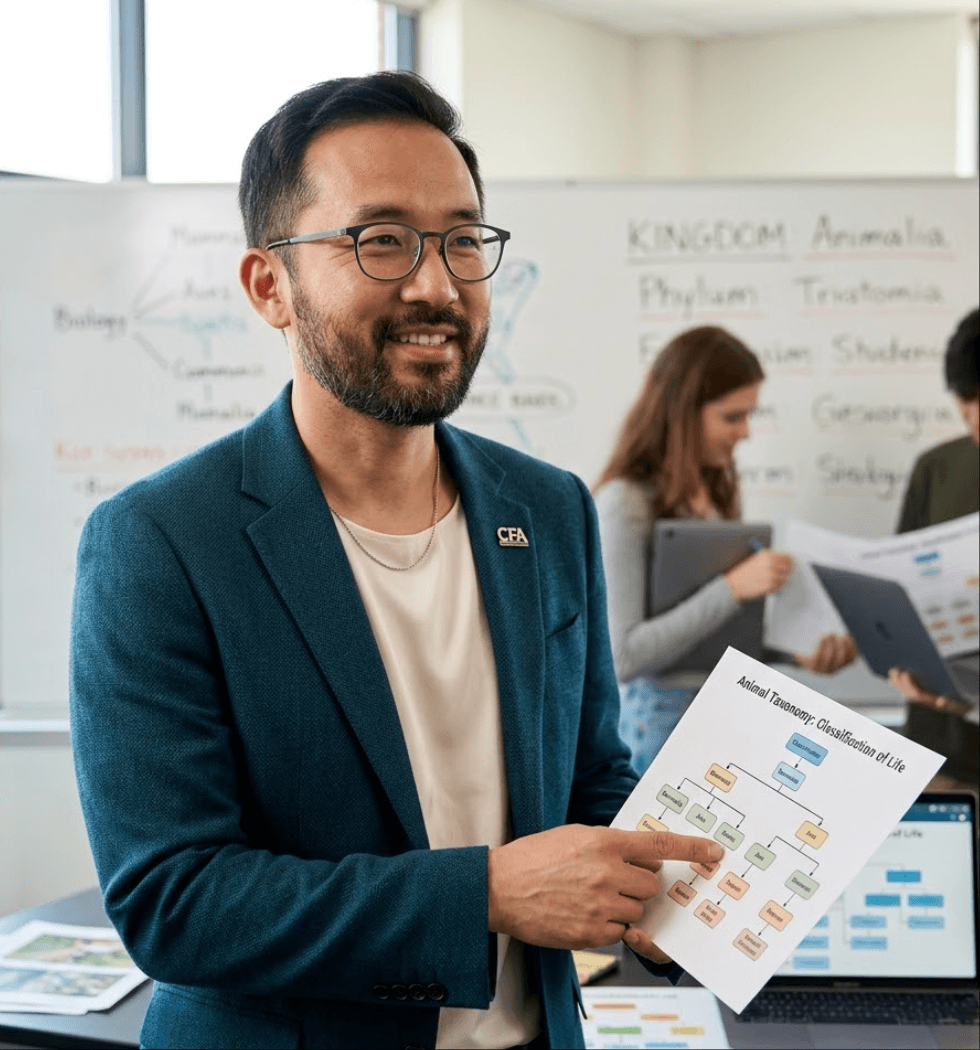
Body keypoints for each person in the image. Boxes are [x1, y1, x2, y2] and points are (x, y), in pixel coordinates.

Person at [68, 72, 721, 1050]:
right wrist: (485, 893)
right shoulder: (161, 542)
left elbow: (590, 779)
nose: (437, 285)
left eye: (462, 240)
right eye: (382, 240)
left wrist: (675, 892)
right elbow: (173, 900)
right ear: (269, 287)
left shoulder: (548, 511)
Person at [594, 326, 856, 774]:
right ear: (683, 413)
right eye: (732, 417)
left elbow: (713, 641)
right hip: (664, 724)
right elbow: (625, 656)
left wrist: (795, 654)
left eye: (749, 416)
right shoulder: (626, 503)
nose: (745, 433)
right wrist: (733, 587)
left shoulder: (713, 493)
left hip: (726, 711)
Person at [892, 307, 979, 789]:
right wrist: (897, 655)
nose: (973, 421)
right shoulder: (937, 469)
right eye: (964, 403)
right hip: (938, 753)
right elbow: (896, 594)